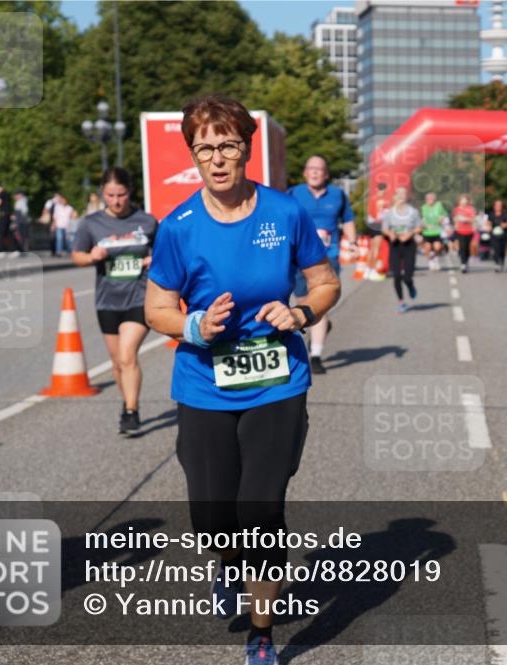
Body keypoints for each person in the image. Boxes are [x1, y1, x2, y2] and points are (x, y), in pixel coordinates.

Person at [144, 94, 338, 665]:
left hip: (277, 380)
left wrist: (301, 312)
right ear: (194, 156)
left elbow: (325, 283)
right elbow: (157, 309)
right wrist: (194, 326)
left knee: (261, 510)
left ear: (247, 148)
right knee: (213, 518)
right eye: (205, 148)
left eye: (228, 145)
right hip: (204, 382)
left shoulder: (285, 212)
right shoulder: (179, 227)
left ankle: (261, 630)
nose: (218, 158)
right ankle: (228, 565)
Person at [71, 168, 157, 434]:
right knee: (117, 361)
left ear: (130, 193)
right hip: (107, 300)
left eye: (121, 195)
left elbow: (165, 251)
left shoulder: (147, 221)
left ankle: (131, 411)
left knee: (127, 354)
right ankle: (126, 401)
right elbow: (77, 256)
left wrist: (154, 260)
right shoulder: (91, 223)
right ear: (102, 194)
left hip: (139, 297)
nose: (116, 201)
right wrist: (92, 256)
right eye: (110, 195)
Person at [287, 155, 354, 375]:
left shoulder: (338, 195)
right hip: (298, 258)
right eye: (311, 169)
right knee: (304, 304)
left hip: (328, 257)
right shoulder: (293, 194)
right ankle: (320, 323)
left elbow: (349, 221)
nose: (315, 172)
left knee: (319, 304)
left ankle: (315, 356)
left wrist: (352, 243)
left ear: (326, 174)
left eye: (320, 169)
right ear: (305, 172)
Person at [381, 186, 422, 313]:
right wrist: (390, 234)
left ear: (407, 196)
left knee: (407, 277)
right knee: (397, 275)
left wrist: (410, 233)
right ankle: (401, 302)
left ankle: (410, 285)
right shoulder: (389, 212)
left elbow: (419, 227)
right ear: (395, 196)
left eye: (404, 193)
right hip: (395, 246)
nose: (402, 196)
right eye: (399, 193)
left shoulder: (413, 212)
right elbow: (384, 229)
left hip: (409, 245)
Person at [420, 192, 448, 271]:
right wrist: (424, 224)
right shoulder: (424, 207)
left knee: (437, 247)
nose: (429, 200)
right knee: (428, 248)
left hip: (437, 231)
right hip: (427, 232)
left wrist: (441, 218)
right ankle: (430, 261)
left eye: (431, 199)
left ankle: (435, 257)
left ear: (434, 199)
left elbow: (444, 214)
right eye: (428, 199)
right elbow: (423, 218)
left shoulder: (439, 205)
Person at [486, 199, 507, 272]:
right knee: (495, 250)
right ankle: (497, 263)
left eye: (500, 205)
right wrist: (489, 227)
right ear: (494, 206)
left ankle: (502, 263)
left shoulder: (505, 214)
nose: (498, 207)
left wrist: (506, 224)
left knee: (502, 250)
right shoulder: (491, 214)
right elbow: (488, 222)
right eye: (497, 205)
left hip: (503, 236)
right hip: (494, 236)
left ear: (502, 206)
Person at [364, 195, 387, 281]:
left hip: (372, 227)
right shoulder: (380, 206)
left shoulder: (371, 205)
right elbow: (380, 218)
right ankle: (373, 270)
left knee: (372, 249)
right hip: (377, 227)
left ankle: (367, 270)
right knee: (376, 249)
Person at [452, 194, 476, 273]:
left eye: (465, 200)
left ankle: (466, 261)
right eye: (462, 200)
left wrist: (465, 219)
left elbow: (473, 219)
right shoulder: (457, 209)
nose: (463, 201)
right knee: (462, 247)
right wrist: (455, 225)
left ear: (467, 201)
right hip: (460, 231)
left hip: (469, 231)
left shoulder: (471, 209)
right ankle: (463, 264)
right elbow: (455, 219)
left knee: (467, 248)